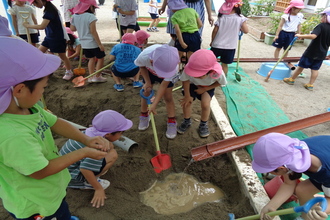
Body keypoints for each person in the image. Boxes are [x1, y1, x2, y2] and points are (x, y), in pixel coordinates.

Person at [0, 36, 110, 220]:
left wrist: (86, 139)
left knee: (61, 208)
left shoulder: (28, 107)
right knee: (54, 213)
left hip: (51, 191)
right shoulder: (12, 135)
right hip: (35, 204)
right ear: (19, 90)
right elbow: (40, 171)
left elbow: (55, 122)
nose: (44, 92)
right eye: (43, 87)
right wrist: (83, 152)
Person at [60, 110, 132, 208]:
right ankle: (85, 183)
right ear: (108, 134)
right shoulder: (98, 147)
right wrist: (98, 189)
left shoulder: (86, 134)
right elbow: (84, 169)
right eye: (121, 133)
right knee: (113, 155)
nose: (122, 135)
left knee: (110, 150)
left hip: (63, 170)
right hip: (72, 177)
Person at [252, 133, 330, 220]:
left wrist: (320, 212)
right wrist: (271, 206)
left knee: (318, 211)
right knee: (302, 190)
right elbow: (288, 184)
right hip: (324, 156)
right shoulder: (291, 153)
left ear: (281, 168)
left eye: (267, 170)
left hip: (327, 172)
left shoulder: (327, 172)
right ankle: (305, 217)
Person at [177, 49, 227, 138]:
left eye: (199, 75)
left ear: (210, 71)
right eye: (194, 74)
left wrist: (205, 89)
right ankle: (186, 120)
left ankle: (203, 124)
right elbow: (185, 81)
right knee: (187, 102)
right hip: (192, 85)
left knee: (205, 104)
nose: (195, 76)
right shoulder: (189, 67)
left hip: (207, 87)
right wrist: (187, 96)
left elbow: (221, 82)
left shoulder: (217, 73)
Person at [134, 44, 180, 139]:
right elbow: (142, 67)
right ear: (151, 61)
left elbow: (163, 86)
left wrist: (154, 104)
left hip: (166, 78)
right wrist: (147, 82)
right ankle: (144, 115)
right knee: (146, 91)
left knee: (168, 97)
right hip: (150, 73)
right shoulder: (144, 56)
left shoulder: (173, 67)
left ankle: (171, 121)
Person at [24, 0, 73, 81]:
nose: (35, 5)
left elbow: (42, 26)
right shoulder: (47, 10)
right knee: (38, 53)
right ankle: (45, 71)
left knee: (63, 56)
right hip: (49, 37)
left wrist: (28, 26)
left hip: (57, 38)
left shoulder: (50, 11)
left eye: (34, 3)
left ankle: (69, 71)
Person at [283, 7, 330, 91]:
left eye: (322, 16)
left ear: (326, 17)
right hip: (322, 54)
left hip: (311, 52)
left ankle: (291, 79)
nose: (321, 18)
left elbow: (313, 36)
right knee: (315, 69)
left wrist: (300, 35)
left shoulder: (321, 26)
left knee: (301, 66)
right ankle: (310, 85)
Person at [71, 0, 107, 83]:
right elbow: (93, 31)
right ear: (90, 7)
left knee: (91, 59)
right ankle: (97, 76)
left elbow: (73, 29)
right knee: (101, 58)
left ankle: (91, 77)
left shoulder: (74, 16)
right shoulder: (90, 16)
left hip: (83, 43)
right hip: (92, 42)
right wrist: (100, 44)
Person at [210, 0, 248, 75]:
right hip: (230, 47)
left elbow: (215, 31)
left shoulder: (222, 17)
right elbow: (246, 31)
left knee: (211, 62)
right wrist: (240, 27)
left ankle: (211, 77)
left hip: (217, 45)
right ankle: (223, 81)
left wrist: (212, 41)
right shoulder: (241, 18)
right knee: (224, 65)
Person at [273, 0, 304, 70]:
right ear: (293, 8)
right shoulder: (286, 16)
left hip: (291, 34)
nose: (299, 10)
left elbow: (299, 25)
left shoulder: (300, 16)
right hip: (283, 33)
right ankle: (275, 60)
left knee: (287, 49)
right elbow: (280, 26)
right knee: (278, 47)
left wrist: (299, 33)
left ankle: (284, 60)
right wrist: (277, 35)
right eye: (298, 9)